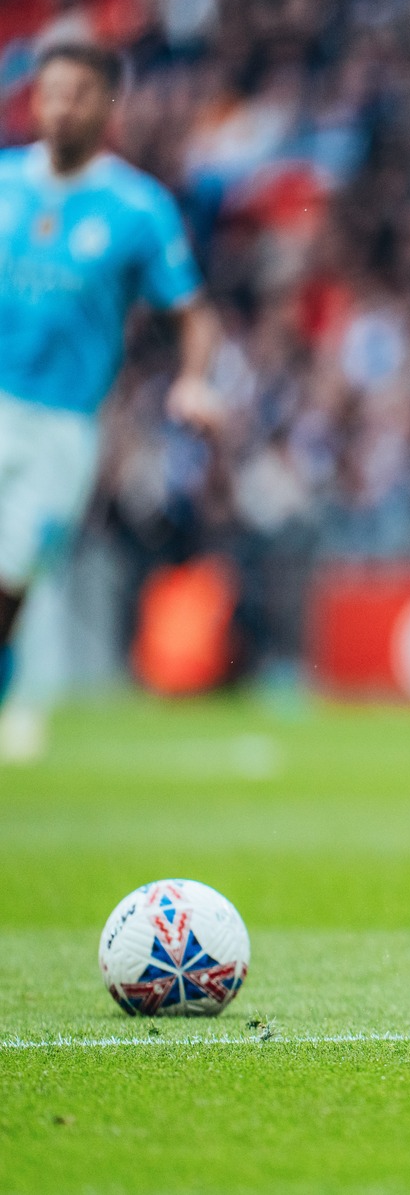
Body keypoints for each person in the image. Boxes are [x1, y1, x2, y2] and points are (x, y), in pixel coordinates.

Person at [0, 40, 221, 737]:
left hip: (63, 425)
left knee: (11, 578)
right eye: (50, 93)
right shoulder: (4, 180)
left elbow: (191, 311)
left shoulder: (138, 207)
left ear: (106, 105)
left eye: (77, 94)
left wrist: (192, 381)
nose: (60, 108)